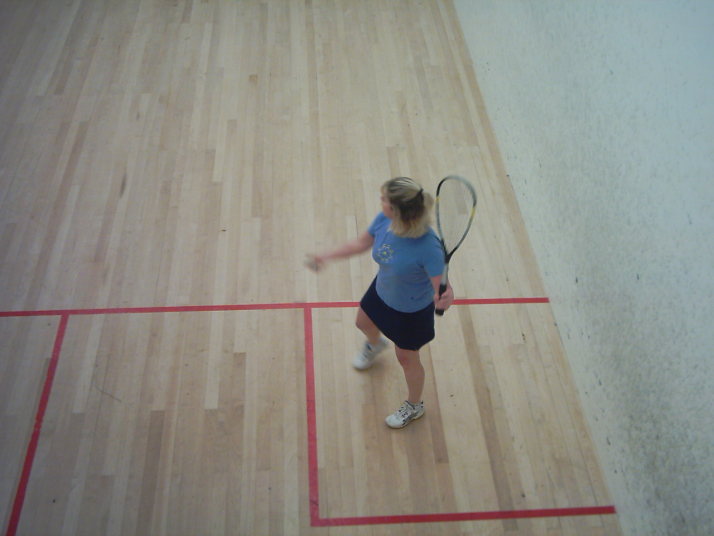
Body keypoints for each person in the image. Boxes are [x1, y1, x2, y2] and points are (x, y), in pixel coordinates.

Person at [306, 177, 454, 428]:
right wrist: (326, 255)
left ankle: (414, 406)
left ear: (398, 210)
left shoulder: (429, 248)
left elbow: (442, 289)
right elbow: (360, 243)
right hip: (382, 291)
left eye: (384, 199)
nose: (380, 201)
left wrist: (445, 299)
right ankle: (375, 345)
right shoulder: (385, 220)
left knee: (406, 358)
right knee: (363, 323)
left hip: (411, 312)